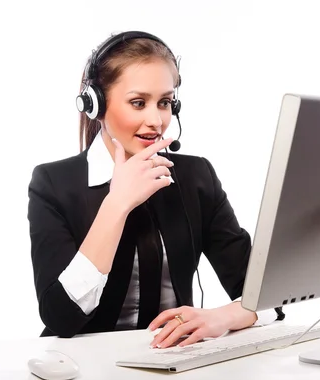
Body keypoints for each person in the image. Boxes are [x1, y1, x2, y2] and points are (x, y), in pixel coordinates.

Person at [27, 31, 279, 349]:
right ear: (96, 105)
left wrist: (224, 316)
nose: (156, 120)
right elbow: (60, 317)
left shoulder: (195, 176)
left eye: (164, 103)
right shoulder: (53, 184)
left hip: (173, 365)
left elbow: (268, 295)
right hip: (82, 371)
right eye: (138, 102)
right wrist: (117, 203)